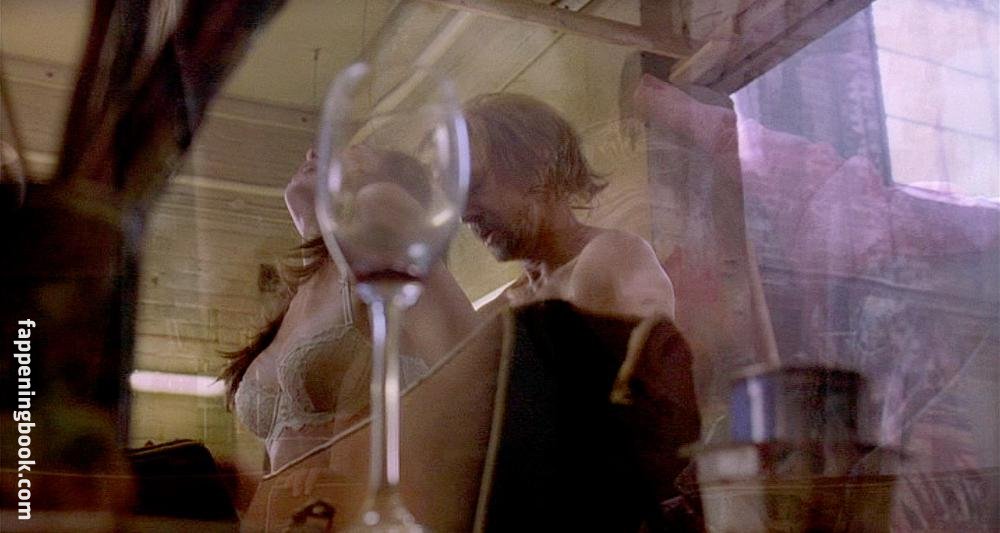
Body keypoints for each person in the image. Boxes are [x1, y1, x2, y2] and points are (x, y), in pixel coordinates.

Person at [222, 148, 477, 472]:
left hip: (371, 499)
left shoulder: (382, 247)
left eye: (350, 152)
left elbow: (477, 375)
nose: (314, 151)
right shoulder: (295, 297)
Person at [461, 93, 676, 319]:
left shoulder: (611, 257)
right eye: (456, 200)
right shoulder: (505, 306)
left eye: (475, 185)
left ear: (537, 161)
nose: (464, 215)